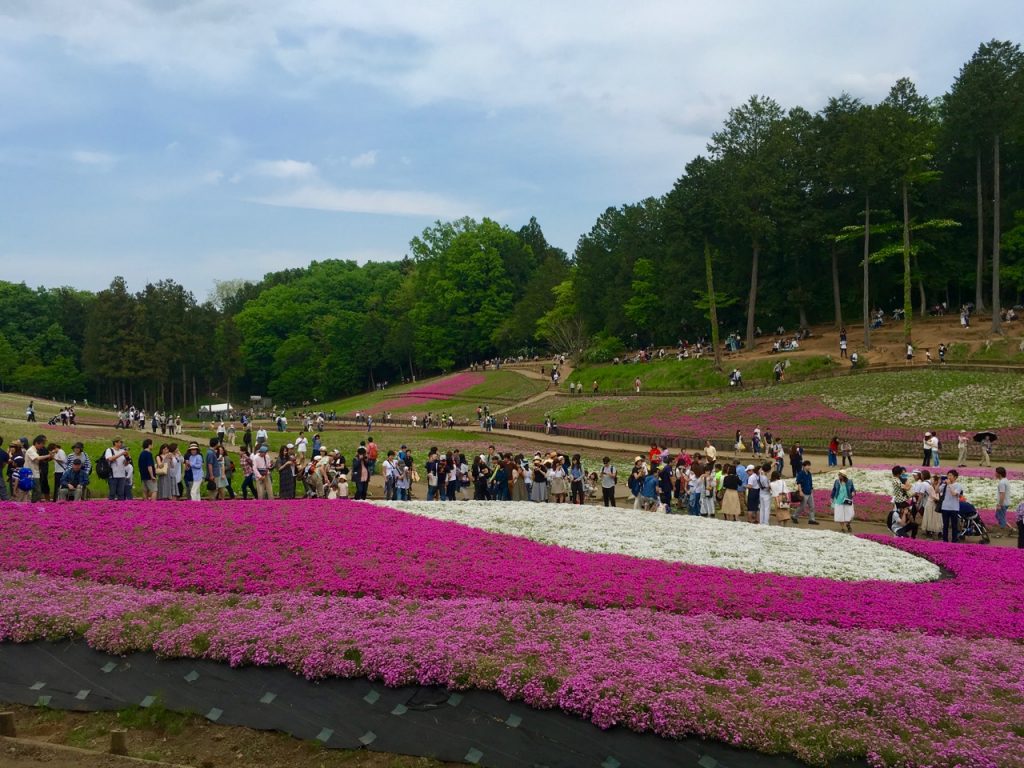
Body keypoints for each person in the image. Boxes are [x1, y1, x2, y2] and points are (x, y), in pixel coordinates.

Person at [938, 470, 964, 544]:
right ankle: (945, 540)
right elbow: (937, 491)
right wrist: (939, 483)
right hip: (945, 507)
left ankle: (954, 540)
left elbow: (954, 494)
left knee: (954, 525)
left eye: (950, 475)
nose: (948, 477)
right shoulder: (945, 485)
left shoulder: (958, 485)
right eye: (948, 475)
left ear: (955, 477)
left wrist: (949, 485)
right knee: (945, 525)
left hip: (954, 508)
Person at [995, 467, 1012, 538]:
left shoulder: (1002, 482)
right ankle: (1011, 528)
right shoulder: (1006, 480)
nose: (995, 474)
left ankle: (1000, 533)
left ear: (999, 474)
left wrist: (999, 504)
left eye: (996, 472)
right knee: (999, 516)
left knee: (1000, 517)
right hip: (1006, 502)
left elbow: (1002, 494)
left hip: (1003, 503)